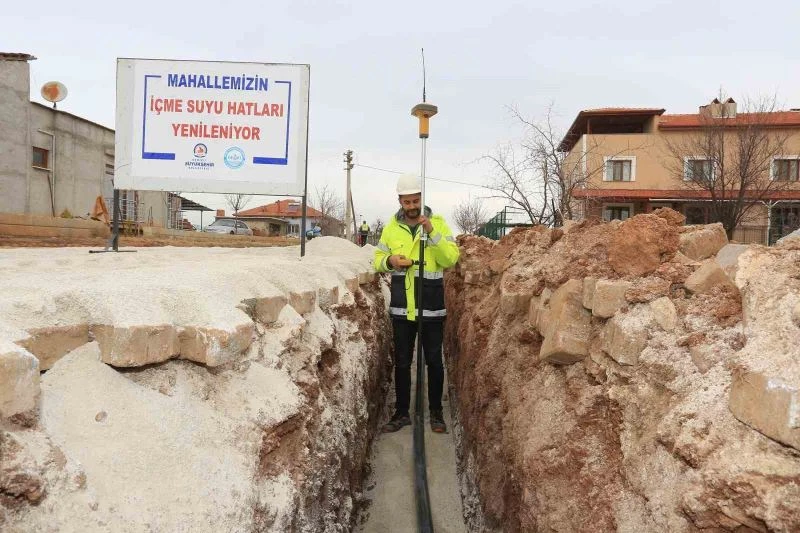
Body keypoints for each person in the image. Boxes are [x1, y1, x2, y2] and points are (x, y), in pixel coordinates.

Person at [373, 174, 460, 433]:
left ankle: (435, 412)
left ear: (422, 199)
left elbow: (450, 259)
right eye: (407, 201)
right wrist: (390, 262)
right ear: (400, 201)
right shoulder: (390, 228)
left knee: (434, 360)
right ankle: (401, 413)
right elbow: (377, 258)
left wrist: (432, 233)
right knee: (402, 361)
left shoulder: (439, 224)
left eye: (415, 201)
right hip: (402, 307)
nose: (411, 206)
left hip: (431, 305)